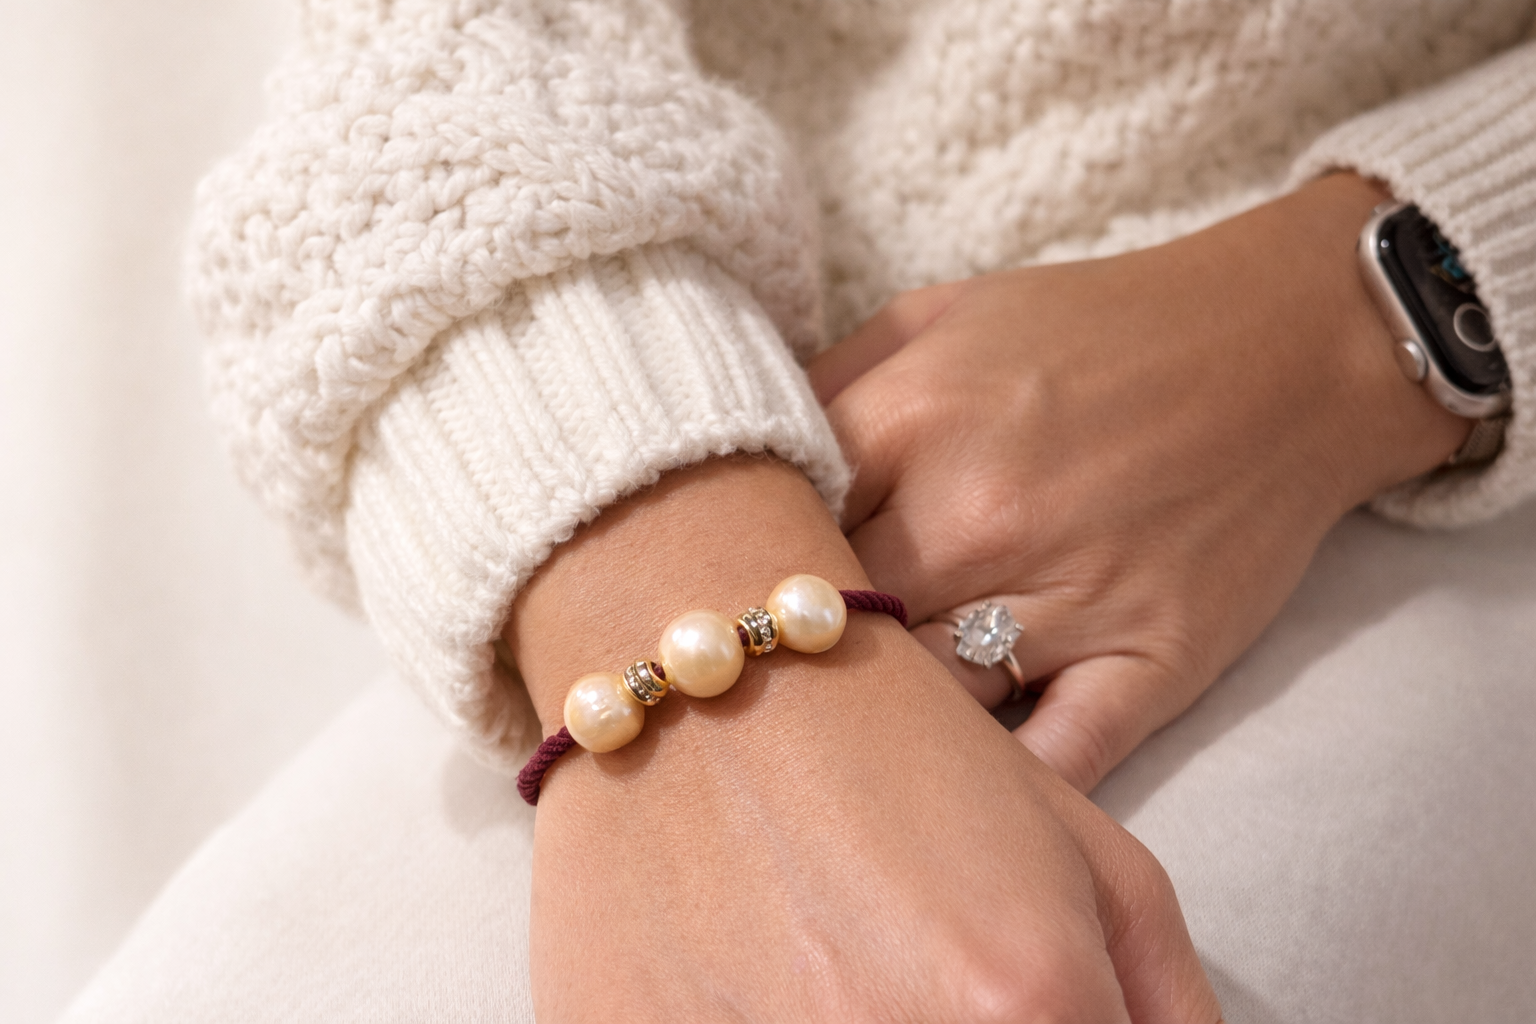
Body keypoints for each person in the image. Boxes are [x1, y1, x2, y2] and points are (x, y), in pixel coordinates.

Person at [70, 1, 1536, 1020]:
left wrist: (1379, 307)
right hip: (676, 420)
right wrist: (640, 523)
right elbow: (435, 47)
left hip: (1390, 495)